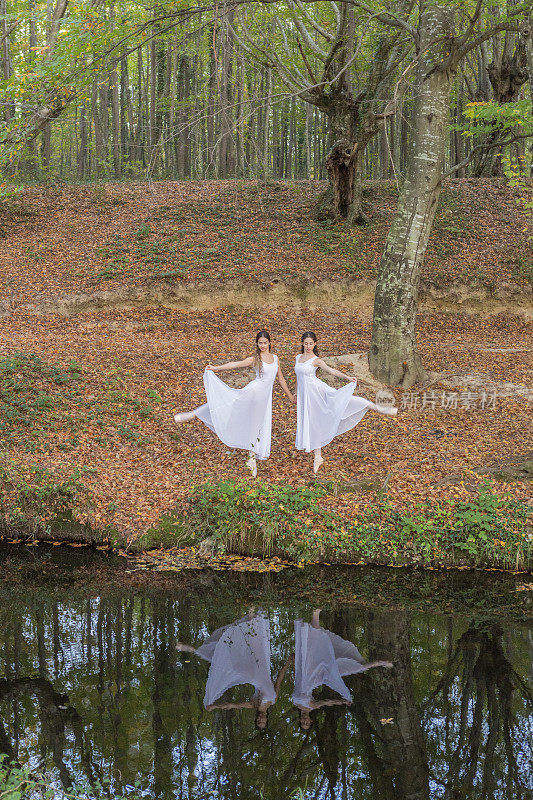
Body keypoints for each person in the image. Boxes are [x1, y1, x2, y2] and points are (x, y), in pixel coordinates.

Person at [174, 330, 295, 477]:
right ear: (257, 344)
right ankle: (194, 414)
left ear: (270, 342)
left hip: (265, 397)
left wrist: (289, 396)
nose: (262, 345)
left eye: (265, 342)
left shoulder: (275, 358)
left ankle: (251, 457)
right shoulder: (256, 358)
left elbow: (281, 379)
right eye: (260, 343)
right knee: (230, 403)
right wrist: (216, 368)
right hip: (254, 391)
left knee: (258, 424)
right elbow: (236, 364)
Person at [294, 332, 397, 473]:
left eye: (311, 343)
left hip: (318, 391)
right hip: (306, 396)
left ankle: (379, 408)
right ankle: (318, 457)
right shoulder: (298, 358)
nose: (308, 346)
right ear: (302, 343)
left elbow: (332, 371)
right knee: (313, 421)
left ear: (315, 344)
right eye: (306, 343)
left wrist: (347, 377)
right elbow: (297, 377)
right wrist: (296, 392)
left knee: (345, 400)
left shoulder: (316, 360)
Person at [176, 608, 291, 730]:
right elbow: (279, 679)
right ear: (267, 719)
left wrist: (214, 707)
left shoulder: (254, 705)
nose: (260, 719)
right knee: (256, 641)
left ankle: (193, 650)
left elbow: (231, 705)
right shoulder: (274, 700)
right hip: (263, 667)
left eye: (258, 721)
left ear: (256, 719)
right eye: (263, 721)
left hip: (250, 674)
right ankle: (251, 609)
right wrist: (288, 663)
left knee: (225, 662)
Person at [292, 609, 393, 730]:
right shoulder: (311, 706)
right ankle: (379, 663)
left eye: (303, 723)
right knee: (347, 668)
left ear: (299, 720)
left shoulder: (295, 703)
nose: (305, 721)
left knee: (312, 646)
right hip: (315, 677)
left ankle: (315, 614)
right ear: (310, 720)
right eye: (307, 723)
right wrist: (342, 702)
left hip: (303, 672)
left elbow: (296, 682)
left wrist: (294, 664)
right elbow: (326, 702)